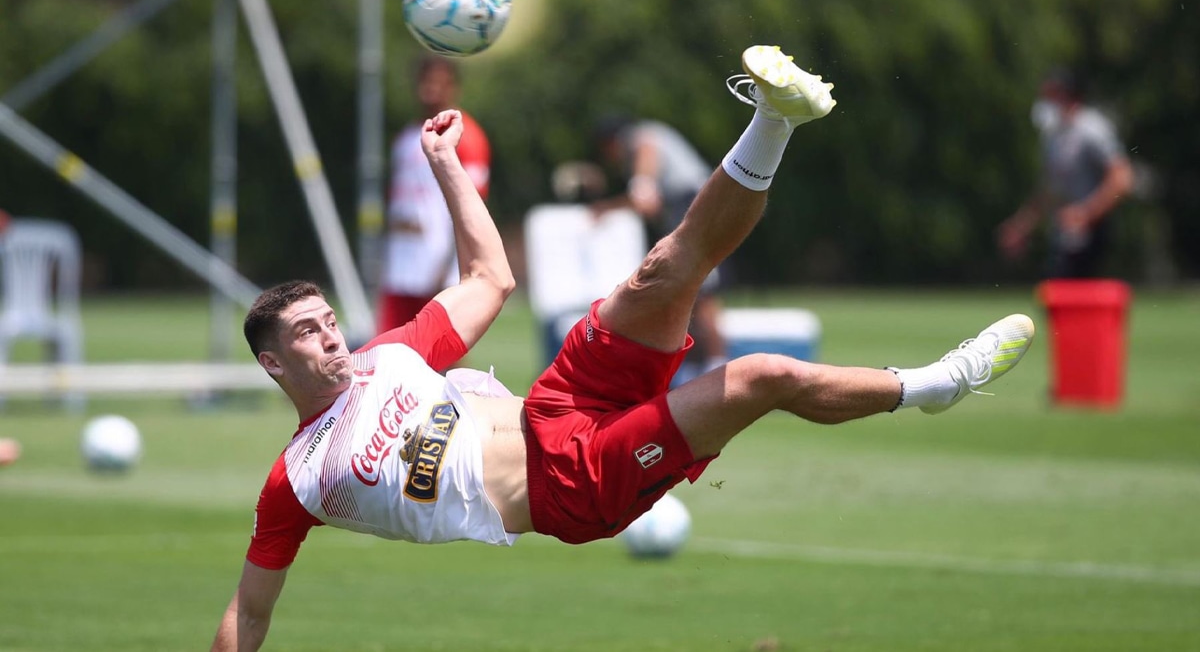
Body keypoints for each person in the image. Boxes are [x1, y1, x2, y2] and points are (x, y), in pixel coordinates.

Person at [211, 45, 1037, 651]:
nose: (331, 336)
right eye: (308, 333)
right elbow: (250, 612)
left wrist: (445, 163)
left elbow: (490, 276)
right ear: (273, 364)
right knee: (761, 375)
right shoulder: (299, 477)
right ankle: (935, 382)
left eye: (328, 319)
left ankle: (774, 117)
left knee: (663, 266)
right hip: (567, 483)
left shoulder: (390, 352)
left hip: (554, 402)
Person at [592, 115, 728, 381]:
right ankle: (701, 365)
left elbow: (645, 197)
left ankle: (715, 364)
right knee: (689, 290)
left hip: (692, 204)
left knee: (702, 290)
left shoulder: (641, 138)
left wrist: (630, 191)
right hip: (694, 204)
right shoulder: (651, 135)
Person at [377, 55, 491, 332]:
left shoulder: (466, 137)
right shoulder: (406, 136)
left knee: (444, 343)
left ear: (454, 87)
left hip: (438, 262)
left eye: (440, 83)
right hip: (402, 261)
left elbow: (473, 206)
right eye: (426, 83)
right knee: (390, 346)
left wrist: (453, 261)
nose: (431, 90)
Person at [998, 67, 1134, 278]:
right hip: (1064, 232)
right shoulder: (1053, 137)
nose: (1045, 102)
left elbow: (1122, 178)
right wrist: (1021, 226)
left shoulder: (1092, 130)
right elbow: (1050, 191)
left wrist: (1087, 213)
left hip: (1093, 231)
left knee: (1073, 294)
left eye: (1051, 95)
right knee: (1054, 292)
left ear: (1069, 96)